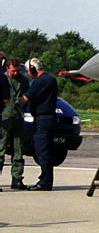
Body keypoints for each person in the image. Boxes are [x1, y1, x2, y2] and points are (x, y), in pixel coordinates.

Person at [21, 58, 58, 191]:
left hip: (43, 119)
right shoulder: (50, 79)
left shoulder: (41, 81)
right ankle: (46, 180)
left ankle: (45, 182)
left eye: (28, 71)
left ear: (32, 69)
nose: (28, 74)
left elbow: (25, 98)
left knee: (42, 151)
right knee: (45, 150)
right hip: (49, 118)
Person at [1, 56, 30, 190]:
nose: (16, 73)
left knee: (18, 148)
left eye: (18, 70)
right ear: (7, 69)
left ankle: (17, 178)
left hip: (18, 116)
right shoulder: (3, 79)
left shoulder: (23, 81)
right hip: (4, 117)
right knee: (0, 148)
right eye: (13, 71)